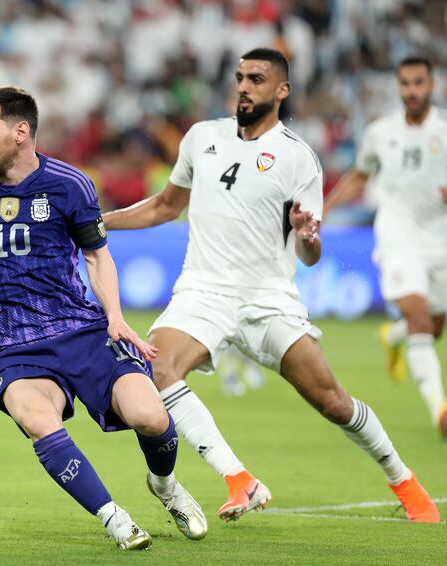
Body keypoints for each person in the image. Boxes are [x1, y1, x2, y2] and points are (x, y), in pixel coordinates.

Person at [102, 48, 440, 523]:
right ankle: (238, 479)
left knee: (333, 401)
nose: (243, 86)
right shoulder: (203, 138)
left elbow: (309, 252)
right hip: (204, 291)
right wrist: (99, 222)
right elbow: (164, 206)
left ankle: (404, 480)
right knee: (156, 369)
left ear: (281, 91)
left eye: (256, 79)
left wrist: (307, 235)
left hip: (268, 300)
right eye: (240, 77)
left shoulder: (298, 158)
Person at [0, 86, 207, 550]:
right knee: (36, 419)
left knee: (149, 415)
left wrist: (114, 316)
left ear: (21, 131)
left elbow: (97, 256)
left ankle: (165, 485)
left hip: (82, 329)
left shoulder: (70, 185)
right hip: (17, 346)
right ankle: (115, 520)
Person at [324, 56, 447, 436]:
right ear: (398, 87)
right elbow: (360, 176)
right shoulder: (381, 132)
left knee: (433, 325)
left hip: (439, 238)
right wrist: (325, 210)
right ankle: (440, 411)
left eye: (419, 83)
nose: (412, 91)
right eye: (406, 83)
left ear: (432, 86)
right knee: (421, 319)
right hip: (397, 236)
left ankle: (392, 337)